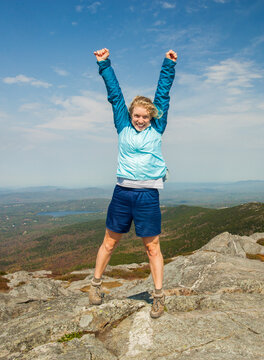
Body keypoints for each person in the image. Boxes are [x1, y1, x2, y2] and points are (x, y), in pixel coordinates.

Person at [89, 47, 177, 319]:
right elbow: (115, 94)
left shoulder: (156, 128)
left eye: (145, 116)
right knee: (110, 242)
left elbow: (163, 93)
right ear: (131, 115)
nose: (141, 120)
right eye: (137, 115)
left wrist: (168, 65)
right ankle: (95, 285)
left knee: (152, 247)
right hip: (122, 193)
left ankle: (158, 296)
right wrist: (104, 64)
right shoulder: (123, 124)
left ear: (152, 117)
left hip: (148, 195)